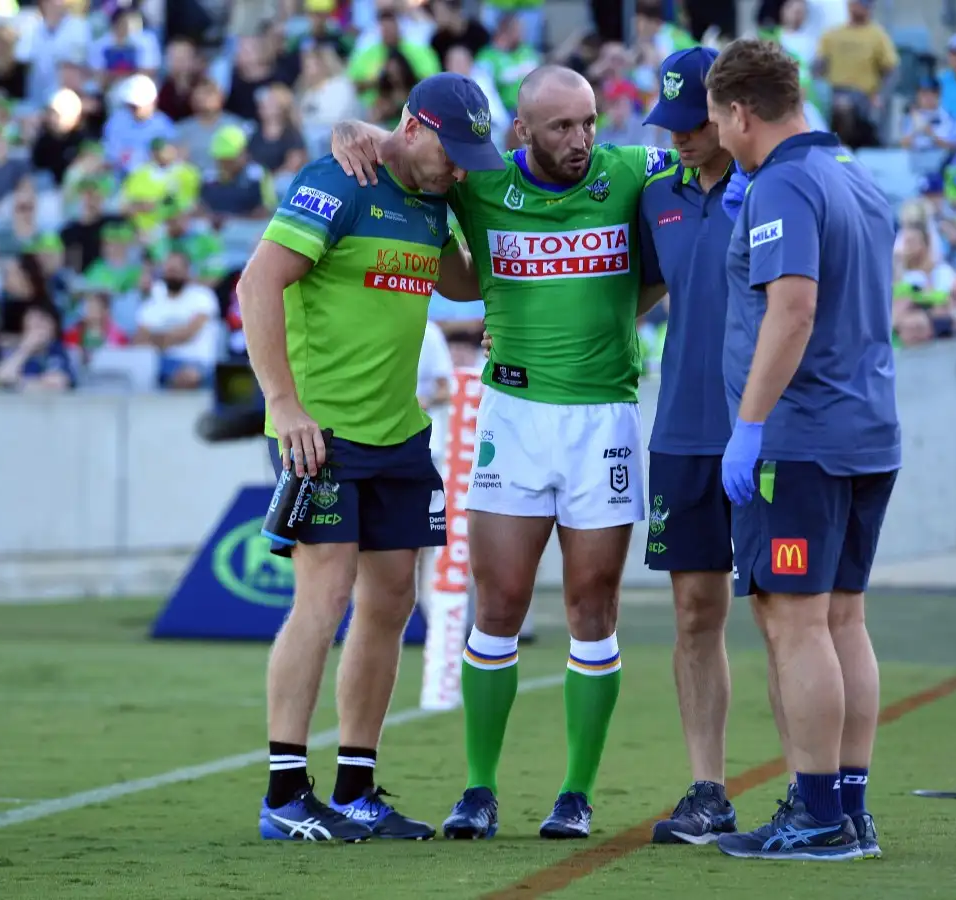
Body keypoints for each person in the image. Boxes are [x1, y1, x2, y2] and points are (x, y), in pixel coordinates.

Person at [330, 65, 673, 840]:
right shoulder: (477, 182)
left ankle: (575, 794)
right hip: (512, 415)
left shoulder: (629, 170)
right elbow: (401, 152)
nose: (581, 139)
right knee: (501, 605)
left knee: (593, 606)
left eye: (588, 122)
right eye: (561, 127)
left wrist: (628, 299)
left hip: (603, 417)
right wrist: (350, 131)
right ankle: (478, 790)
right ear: (522, 132)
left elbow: (705, 155)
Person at [238, 72, 502, 843]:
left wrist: (476, 189)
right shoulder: (338, 179)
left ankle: (356, 787)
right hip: (321, 435)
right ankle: (286, 796)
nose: (459, 168)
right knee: (320, 603)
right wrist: (284, 406)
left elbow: (467, 278)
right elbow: (258, 284)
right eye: (452, 153)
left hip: (399, 435)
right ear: (415, 128)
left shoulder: (432, 198)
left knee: (391, 604)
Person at [706, 38, 901, 861]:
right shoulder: (855, 174)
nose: (715, 134)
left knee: (795, 624)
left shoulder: (785, 179)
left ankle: (817, 813)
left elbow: (793, 309)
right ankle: (848, 808)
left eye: (717, 119)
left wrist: (749, 425)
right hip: (867, 429)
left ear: (741, 112)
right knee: (844, 619)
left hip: (804, 437)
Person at [636, 46, 739, 845]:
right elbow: (632, 289)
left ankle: (826, 789)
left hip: (770, 432)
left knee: (790, 613)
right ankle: (709, 789)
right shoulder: (657, 194)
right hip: (680, 432)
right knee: (694, 613)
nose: (680, 139)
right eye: (671, 125)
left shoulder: (776, 187)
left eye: (694, 124)